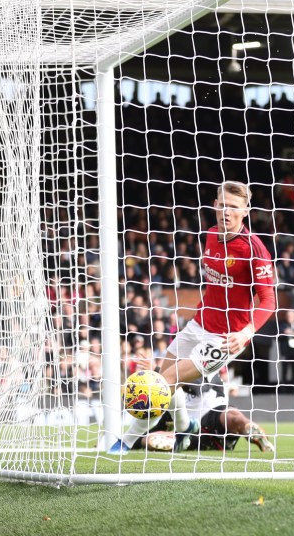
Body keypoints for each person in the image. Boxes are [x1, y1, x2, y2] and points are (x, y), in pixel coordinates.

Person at [110, 181, 277, 454]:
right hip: (197, 325)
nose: (226, 212)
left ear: (245, 211)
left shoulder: (254, 249)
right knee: (163, 380)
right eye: (222, 205)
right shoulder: (211, 235)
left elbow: (269, 300)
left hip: (224, 340)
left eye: (234, 207)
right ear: (214, 205)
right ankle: (185, 428)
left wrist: (247, 332)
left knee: (163, 383)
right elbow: (215, 287)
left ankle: (126, 441)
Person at [137, 374, 274, 453]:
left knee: (232, 417)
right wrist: (136, 440)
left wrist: (165, 379)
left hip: (213, 414)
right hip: (194, 432)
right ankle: (153, 442)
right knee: (150, 438)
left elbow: (200, 387)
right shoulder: (170, 399)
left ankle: (251, 430)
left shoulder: (207, 370)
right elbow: (161, 425)